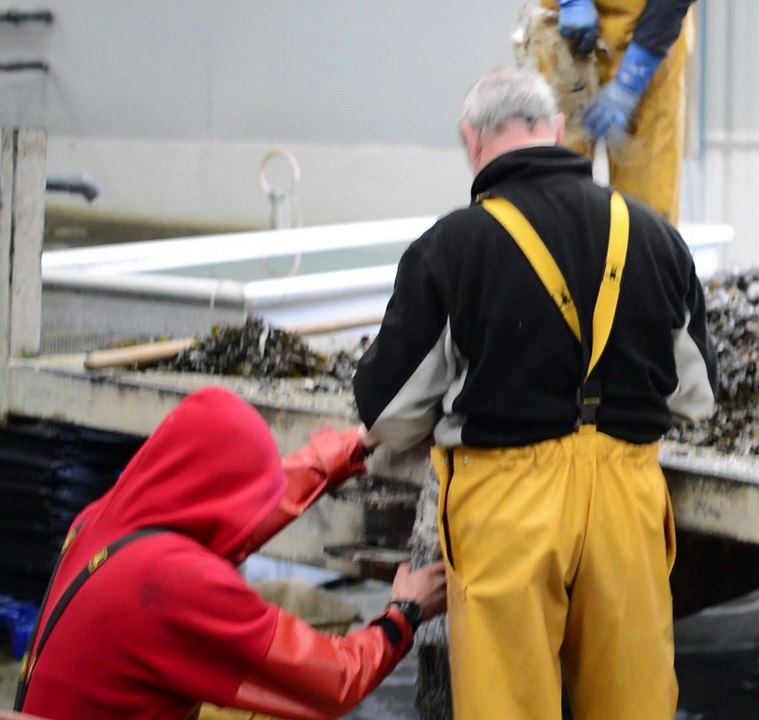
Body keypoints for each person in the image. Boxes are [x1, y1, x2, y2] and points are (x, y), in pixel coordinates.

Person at [353, 67, 716, 719]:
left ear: (472, 141)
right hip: (625, 500)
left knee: (507, 702)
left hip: (507, 506)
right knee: (634, 701)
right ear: (555, 132)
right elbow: (696, 398)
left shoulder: (449, 249)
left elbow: (391, 414)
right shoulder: (656, 236)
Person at [15, 386, 447, 720]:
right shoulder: (177, 587)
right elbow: (331, 681)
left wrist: (350, 445)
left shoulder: (102, 517)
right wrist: (402, 615)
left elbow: (239, 505)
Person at [540, 0, 696, 223]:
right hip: (566, 27)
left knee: (646, 209)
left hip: (650, 30)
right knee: (553, 191)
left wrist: (631, 80)